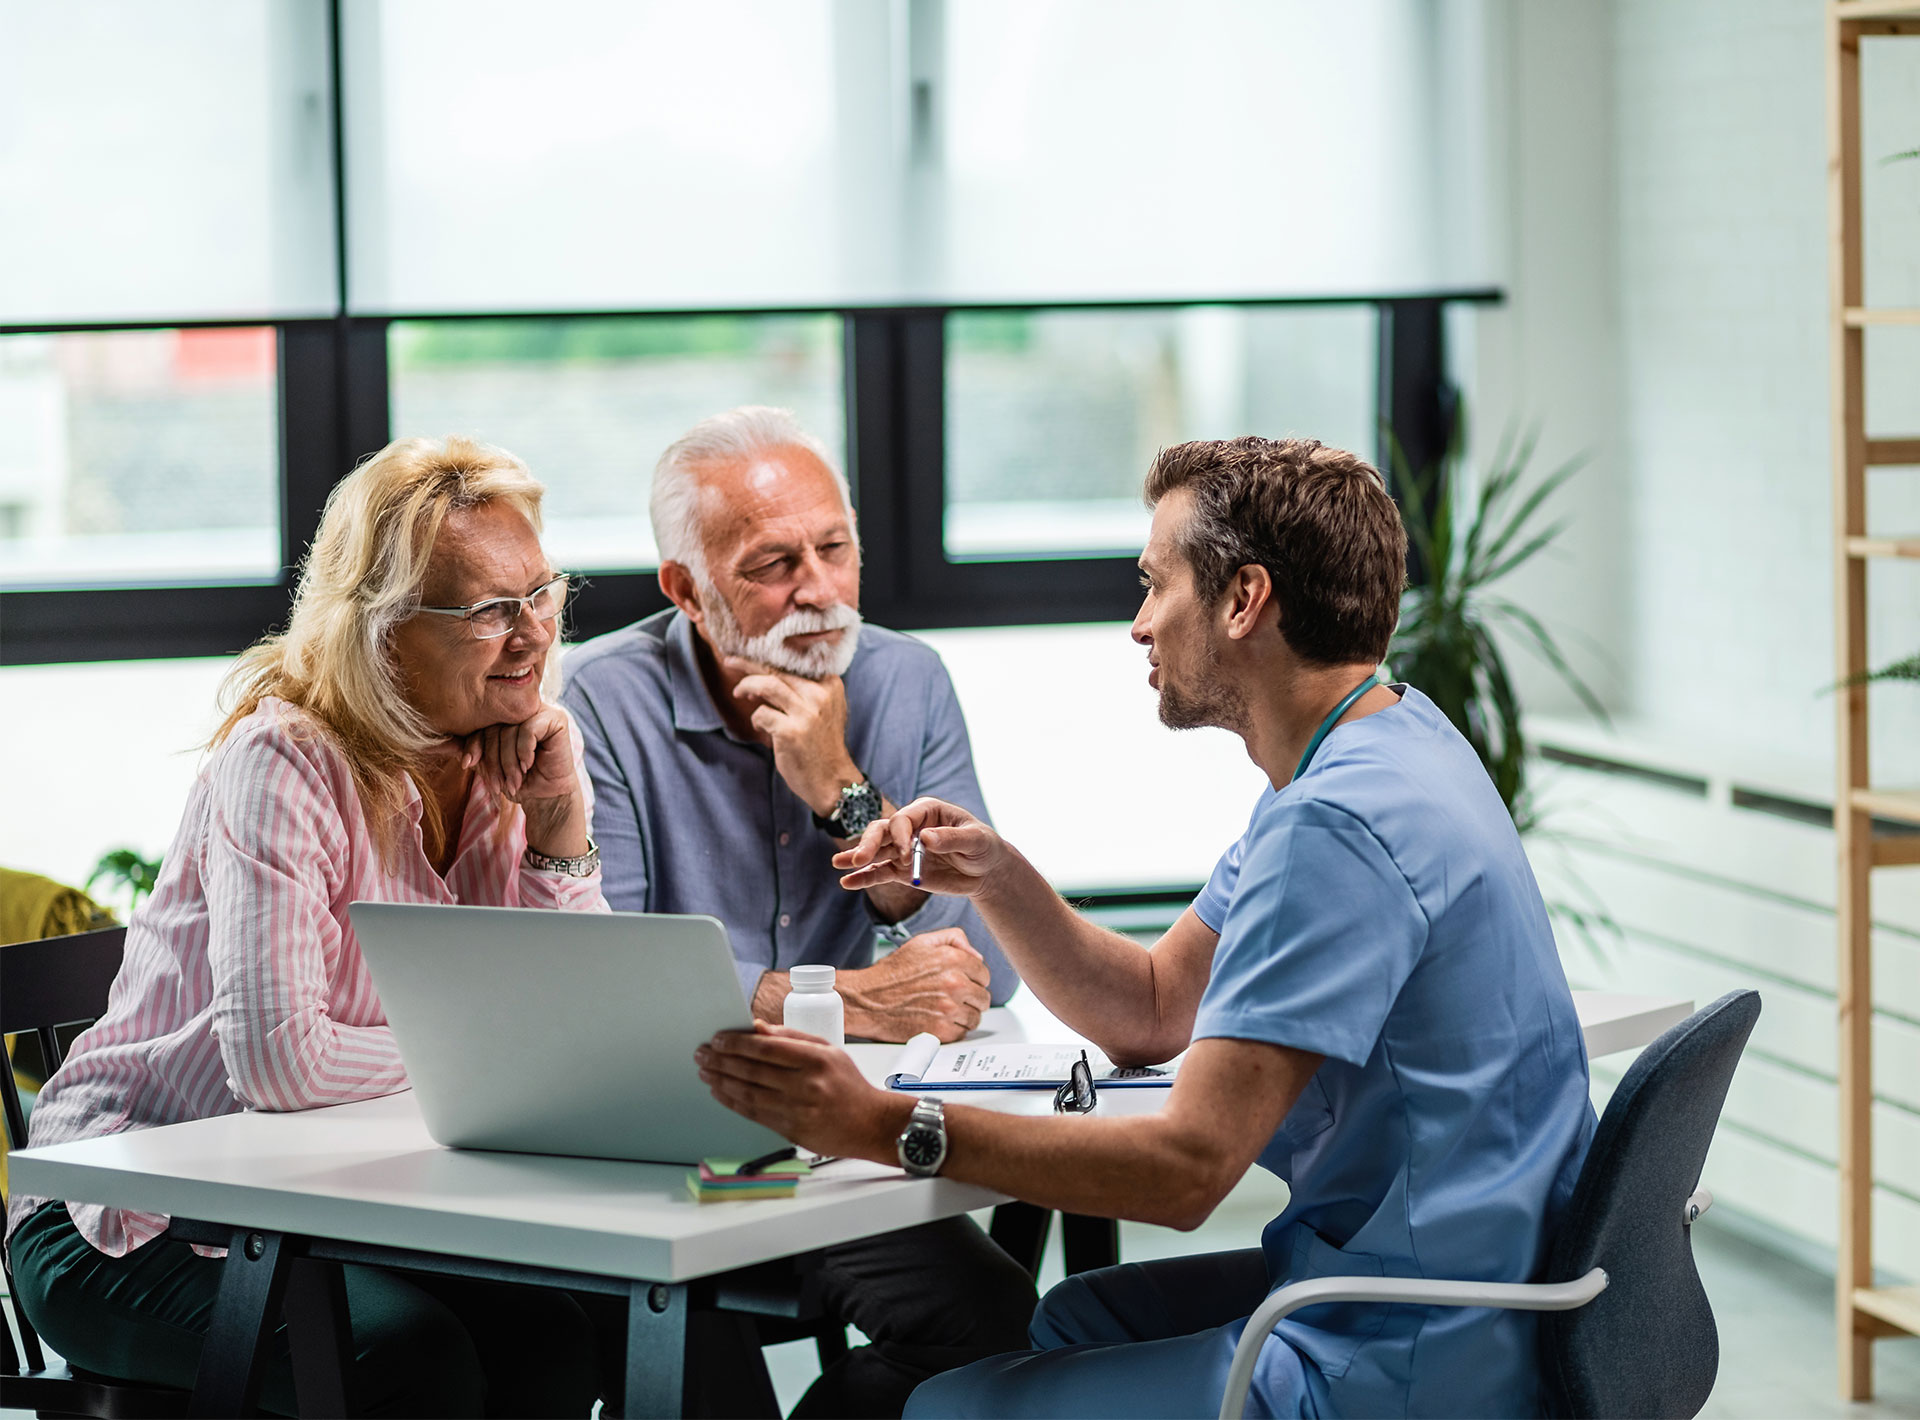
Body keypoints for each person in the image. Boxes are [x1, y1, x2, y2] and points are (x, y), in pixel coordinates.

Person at [696, 435, 1599, 1418]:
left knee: (940, 1407)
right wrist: (998, 876)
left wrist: (880, 1124)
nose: (1138, 624)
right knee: (1070, 1317)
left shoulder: (1334, 826)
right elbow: (1153, 1006)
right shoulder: (1384, 742)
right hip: (1467, 1286)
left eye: (1154, 583)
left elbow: (1183, 1172)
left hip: (1408, 1345)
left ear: (1244, 600)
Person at [7, 437, 607, 1418]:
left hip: (330, 1205)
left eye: (542, 593)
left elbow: (573, 1025)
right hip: (126, 1213)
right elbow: (281, 1067)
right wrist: (493, 1059)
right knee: (406, 1358)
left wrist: (557, 830)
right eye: (490, 609)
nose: (533, 634)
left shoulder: (507, 749)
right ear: (381, 627)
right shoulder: (284, 759)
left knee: (558, 1336)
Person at [562, 406, 1035, 1417]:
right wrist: (843, 1001)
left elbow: (987, 960)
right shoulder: (600, 702)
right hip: (677, 1150)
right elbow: (609, 976)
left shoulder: (907, 682)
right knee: (683, 1314)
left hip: (839, 1146)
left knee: (992, 1314)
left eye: (835, 549)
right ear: (687, 590)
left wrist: (846, 792)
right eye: (774, 563)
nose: (818, 592)